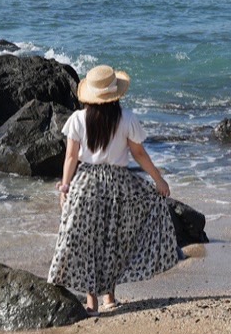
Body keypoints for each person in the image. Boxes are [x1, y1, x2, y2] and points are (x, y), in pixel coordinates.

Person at [47, 65, 179, 314]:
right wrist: (158, 180)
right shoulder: (127, 118)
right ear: (115, 94)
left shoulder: (77, 119)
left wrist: (65, 187)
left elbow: (71, 157)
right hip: (119, 184)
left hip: (85, 184)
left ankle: (91, 302)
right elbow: (139, 154)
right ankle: (109, 297)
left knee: (87, 241)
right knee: (114, 240)